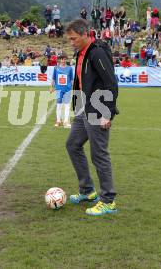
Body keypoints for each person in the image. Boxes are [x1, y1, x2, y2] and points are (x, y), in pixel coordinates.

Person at [65, 19, 119, 216]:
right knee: (72, 145)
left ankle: (108, 201)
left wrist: (108, 113)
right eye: (69, 39)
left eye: (74, 39)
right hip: (83, 108)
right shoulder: (80, 52)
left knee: (99, 155)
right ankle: (87, 191)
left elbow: (111, 83)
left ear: (85, 34)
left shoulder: (97, 52)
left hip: (98, 109)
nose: (71, 42)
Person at [50, 55, 73, 128]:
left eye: (64, 59)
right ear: (59, 60)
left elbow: (71, 79)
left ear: (66, 60)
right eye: (62, 59)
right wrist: (51, 87)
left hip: (67, 89)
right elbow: (53, 78)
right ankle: (58, 121)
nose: (63, 61)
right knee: (59, 105)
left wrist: (73, 87)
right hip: (59, 90)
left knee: (67, 106)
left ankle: (66, 121)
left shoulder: (70, 68)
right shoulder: (56, 68)